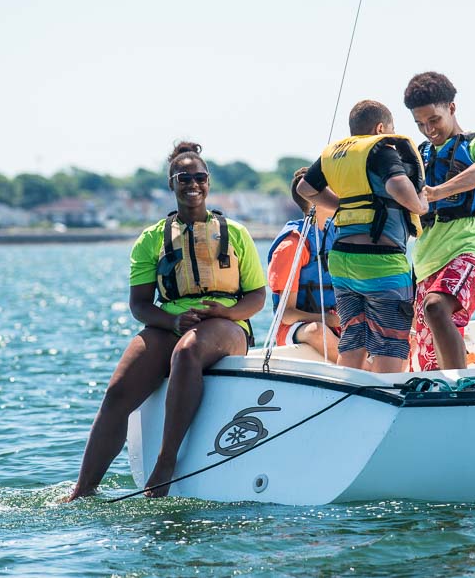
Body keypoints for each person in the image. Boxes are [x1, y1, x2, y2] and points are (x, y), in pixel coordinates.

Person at [65, 141, 266, 501]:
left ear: (209, 181)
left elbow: (256, 297)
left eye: (200, 177)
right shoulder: (150, 240)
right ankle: (83, 489)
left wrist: (223, 312)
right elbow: (140, 305)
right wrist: (172, 322)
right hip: (171, 323)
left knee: (187, 353)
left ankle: (165, 464)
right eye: (183, 177)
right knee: (118, 389)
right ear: (171, 184)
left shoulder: (235, 233)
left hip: (227, 326)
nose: (193, 184)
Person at [296, 99, 428, 373]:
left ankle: (350, 400)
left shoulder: (335, 154)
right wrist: (420, 205)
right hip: (381, 262)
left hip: (342, 262)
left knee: (353, 338)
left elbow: (305, 187)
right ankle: (385, 401)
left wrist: (342, 204)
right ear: (381, 127)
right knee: (390, 343)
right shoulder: (382, 151)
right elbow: (397, 184)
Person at [403, 71, 475, 372]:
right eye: (420, 124)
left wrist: (438, 191)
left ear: (451, 108)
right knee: (427, 365)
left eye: (434, 120)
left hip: (471, 250)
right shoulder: (415, 156)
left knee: (437, 307)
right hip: (427, 261)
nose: (429, 129)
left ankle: (460, 385)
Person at [265, 168, 340, 361]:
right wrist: (328, 319)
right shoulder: (292, 246)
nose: (339, 193)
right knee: (318, 330)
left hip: (335, 321)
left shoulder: (336, 234)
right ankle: (364, 372)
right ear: (314, 198)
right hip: (297, 328)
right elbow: (287, 315)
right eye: (333, 189)